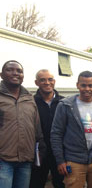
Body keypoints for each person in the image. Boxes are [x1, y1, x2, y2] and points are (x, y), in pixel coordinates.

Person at [51, 71, 92, 188]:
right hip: (74, 161)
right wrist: (60, 160)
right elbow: (56, 134)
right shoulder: (65, 106)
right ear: (77, 85)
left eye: (90, 85)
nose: (87, 89)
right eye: (83, 85)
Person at [0, 60, 44, 188]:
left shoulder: (29, 98)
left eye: (19, 71)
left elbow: (36, 126)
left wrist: (41, 148)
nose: (15, 73)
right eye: (10, 70)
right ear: (1, 75)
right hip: (3, 161)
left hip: (25, 160)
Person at [29, 69, 64, 188]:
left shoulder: (64, 102)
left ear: (54, 81)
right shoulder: (31, 103)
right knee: (36, 183)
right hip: (39, 153)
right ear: (36, 83)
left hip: (60, 152)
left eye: (50, 79)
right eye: (42, 80)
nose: (47, 83)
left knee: (61, 184)